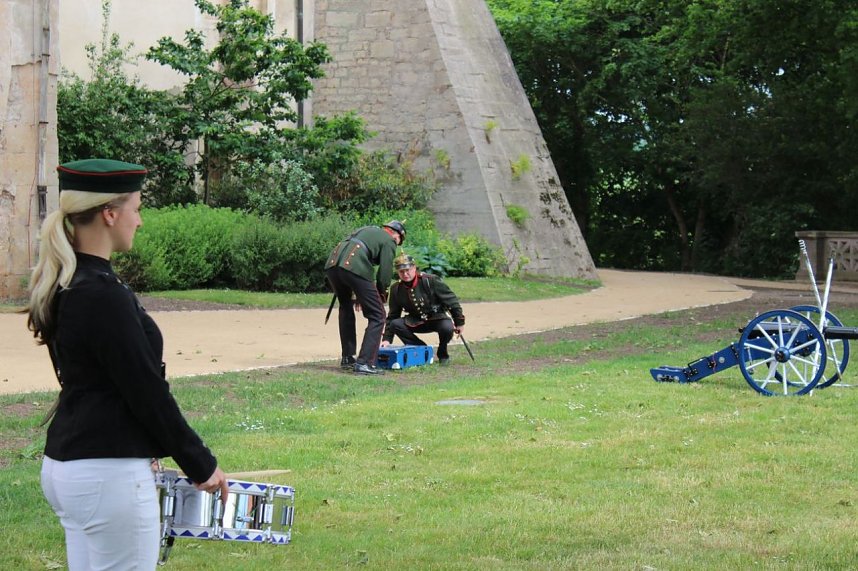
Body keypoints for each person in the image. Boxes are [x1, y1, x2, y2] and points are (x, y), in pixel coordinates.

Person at [26, 159, 229, 570]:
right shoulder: (101, 293)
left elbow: (106, 382)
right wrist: (200, 463)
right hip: (106, 474)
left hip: (73, 464)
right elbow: (145, 389)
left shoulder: (70, 282)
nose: (139, 220)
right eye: (136, 208)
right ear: (110, 213)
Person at [324, 221, 406, 375]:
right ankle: (365, 363)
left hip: (333, 265)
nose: (396, 243)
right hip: (353, 266)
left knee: (345, 307)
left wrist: (360, 294)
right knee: (378, 315)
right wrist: (382, 293)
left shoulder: (367, 230)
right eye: (398, 241)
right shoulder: (389, 240)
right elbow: (385, 272)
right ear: (396, 234)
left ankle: (348, 358)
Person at [381, 253, 465, 365]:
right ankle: (422, 350)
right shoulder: (396, 289)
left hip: (437, 319)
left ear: (414, 268)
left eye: (408, 270)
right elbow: (393, 316)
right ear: (397, 272)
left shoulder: (431, 281)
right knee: (395, 324)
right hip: (415, 321)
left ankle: (442, 353)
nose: (405, 274)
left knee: (447, 327)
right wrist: (386, 339)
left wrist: (459, 322)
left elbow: (452, 301)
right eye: (401, 272)